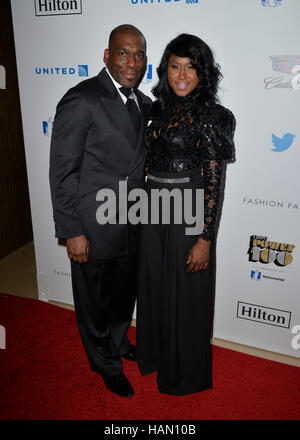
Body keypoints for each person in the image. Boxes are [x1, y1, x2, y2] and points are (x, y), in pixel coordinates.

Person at [49, 24, 152, 398]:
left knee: (124, 294)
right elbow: (62, 172)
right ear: (107, 56)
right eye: (124, 53)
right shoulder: (82, 99)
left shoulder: (140, 102)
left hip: (131, 222)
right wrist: (71, 229)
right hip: (92, 225)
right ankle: (104, 363)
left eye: (139, 55)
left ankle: (119, 342)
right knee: (94, 300)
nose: (132, 61)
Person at [136, 33, 236, 395]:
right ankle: (156, 355)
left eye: (191, 67)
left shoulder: (214, 116)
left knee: (187, 292)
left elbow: (214, 182)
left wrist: (205, 238)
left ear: (202, 73)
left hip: (189, 206)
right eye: (175, 66)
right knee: (153, 284)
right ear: (165, 70)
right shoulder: (157, 108)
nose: (182, 75)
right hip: (152, 205)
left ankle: (185, 374)